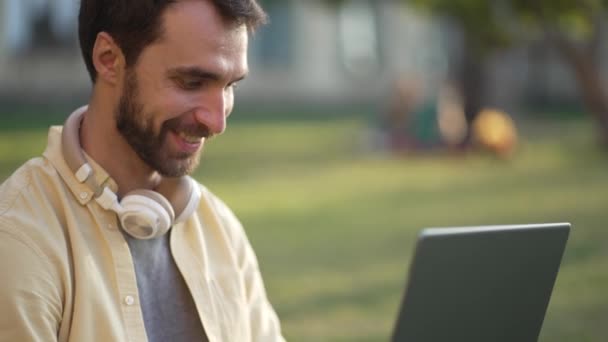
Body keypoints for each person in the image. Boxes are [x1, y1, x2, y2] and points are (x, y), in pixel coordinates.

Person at [0, 0, 285, 341]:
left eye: (229, 86)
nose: (217, 121)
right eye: (192, 82)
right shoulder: (18, 239)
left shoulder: (220, 229)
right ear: (109, 59)